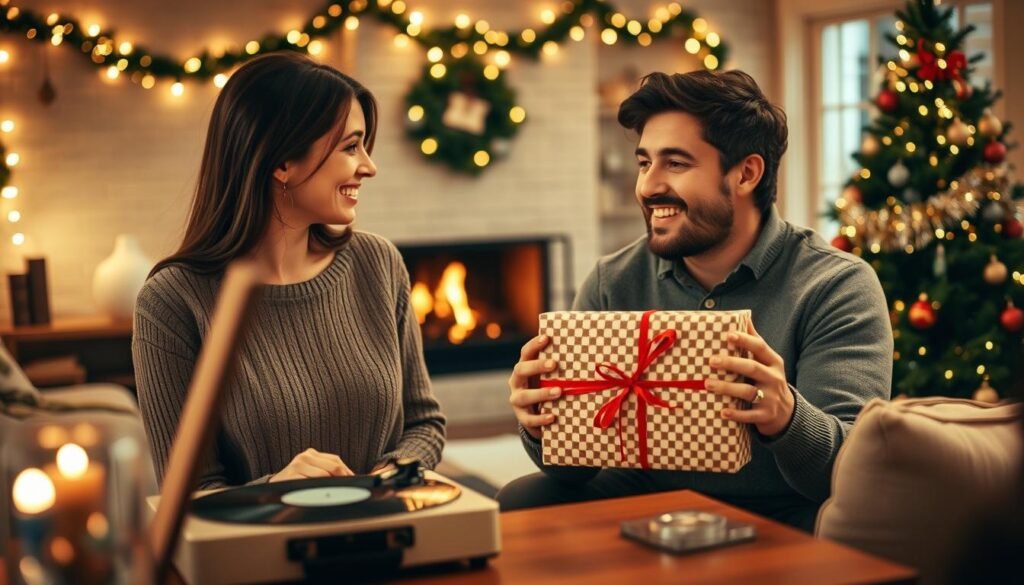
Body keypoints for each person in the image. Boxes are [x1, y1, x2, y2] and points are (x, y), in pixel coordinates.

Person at [499, 69, 893, 532]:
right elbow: (572, 471)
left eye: (676, 163)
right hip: (646, 493)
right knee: (523, 500)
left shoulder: (836, 286)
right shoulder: (613, 280)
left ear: (746, 173)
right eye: (644, 163)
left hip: (780, 506)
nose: (647, 187)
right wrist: (542, 424)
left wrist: (787, 415)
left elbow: (847, 472)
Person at [133, 52, 445, 489]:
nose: (369, 167)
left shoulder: (378, 264)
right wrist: (279, 490)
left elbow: (424, 424)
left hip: (388, 527)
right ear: (282, 162)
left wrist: (379, 484)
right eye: (350, 147)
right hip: (264, 550)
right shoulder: (172, 301)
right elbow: (190, 491)